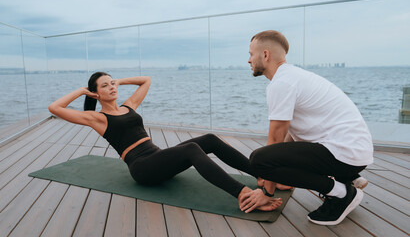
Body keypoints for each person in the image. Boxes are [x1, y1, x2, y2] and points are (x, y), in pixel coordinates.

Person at [48, 71, 282, 212]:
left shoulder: (128, 106)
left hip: (158, 157)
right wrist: (81, 91)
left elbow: (146, 80)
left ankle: (259, 175)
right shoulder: (97, 118)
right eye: (105, 86)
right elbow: (54, 108)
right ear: (96, 94)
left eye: (112, 83)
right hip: (143, 169)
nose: (111, 87)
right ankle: (242, 194)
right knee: (191, 148)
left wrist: (119, 80)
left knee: (209, 139)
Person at [239, 30, 373, 225]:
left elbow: (274, 141)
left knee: (259, 159)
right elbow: (286, 141)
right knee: (271, 158)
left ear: (265, 55)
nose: (249, 60)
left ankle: (342, 193)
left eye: (251, 54)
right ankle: (348, 177)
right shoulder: (294, 76)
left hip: (345, 153)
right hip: (354, 151)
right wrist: (277, 169)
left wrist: (267, 191)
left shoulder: (281, 83)